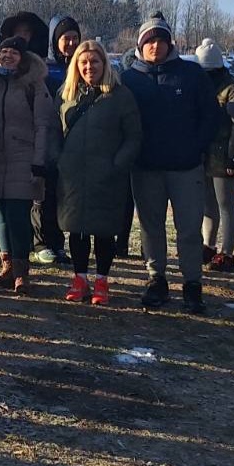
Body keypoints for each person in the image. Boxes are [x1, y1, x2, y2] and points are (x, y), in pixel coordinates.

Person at [121, 11, 218, 314]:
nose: (155, 46)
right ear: (140, 45)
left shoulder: (191, 74)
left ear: (169, 43)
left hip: (185, 167)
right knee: (151, 226)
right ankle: (156, 278)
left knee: (189, 228)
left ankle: (192, 283)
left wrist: (196, 147)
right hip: (145, 167)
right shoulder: (129, 79)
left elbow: (210, 116)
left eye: (161, 40)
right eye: (149, 41)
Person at [52, 40, 143, 305]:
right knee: (76, 229)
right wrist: (59, 160)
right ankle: (80, 279)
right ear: (76, 65)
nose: (89, 67)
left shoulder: (120, 96)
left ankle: (102, 280)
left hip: (107, 175)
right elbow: (53, 130)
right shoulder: (66, 94)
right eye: (83, 62)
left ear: (104, 64)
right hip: (72, 175)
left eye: (94, 61)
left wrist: (117, 164)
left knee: (104, 230)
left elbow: (134, 136)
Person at [0, 34, 56, 294]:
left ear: (22, 58)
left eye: (13, 53)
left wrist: (39, 162)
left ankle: (22, 272)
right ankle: (7, 267)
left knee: (18, 214)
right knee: (0, 214)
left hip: (23, 156)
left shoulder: (33, 84)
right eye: (4, 52)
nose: (8, 56)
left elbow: (43, 125)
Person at [32, 14, 84, 268]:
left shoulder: (82, 66)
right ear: (55, 41)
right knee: (44, 194)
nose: (71, 43)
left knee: (65, 195)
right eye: (66, 38)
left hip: (72, 143)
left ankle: (58, 243)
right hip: (47, 138)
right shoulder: (44, 68)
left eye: (75, 38)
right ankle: (41, 243)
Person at [195, 38, 234, 272]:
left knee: (226, 204)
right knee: (207, 203)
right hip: (205, 153)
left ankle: (227, 253)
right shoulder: (201, 85)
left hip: (226, 154)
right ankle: (208, 245)